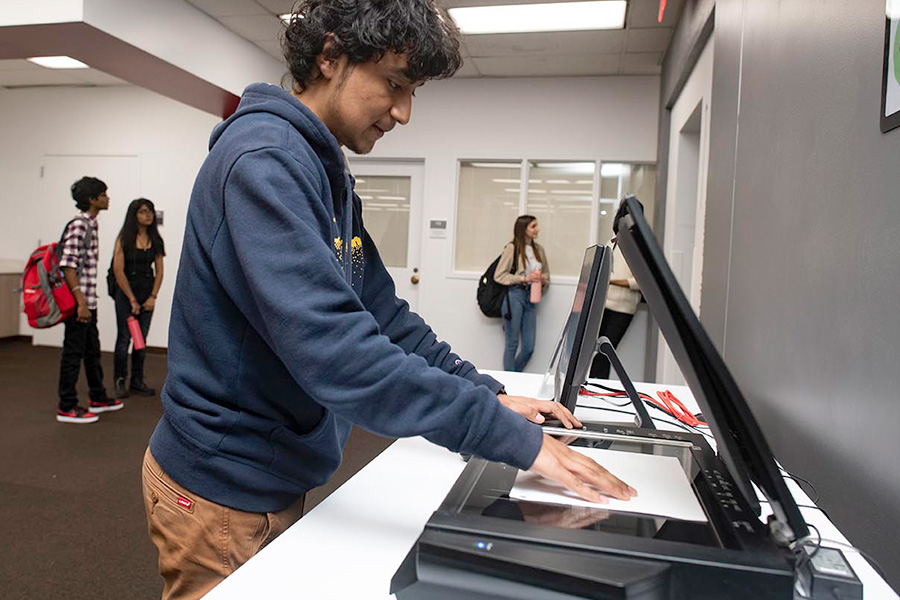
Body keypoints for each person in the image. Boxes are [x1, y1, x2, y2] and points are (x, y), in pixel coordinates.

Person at [142, 2, 635, 597]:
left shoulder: (324, 172)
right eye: (394, 85)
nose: (402, 112)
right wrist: (510, 440)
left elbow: (383, 315)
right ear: (330, 57)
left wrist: (489, 394)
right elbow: (336, 352)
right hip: (221, 484)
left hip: (272, 469)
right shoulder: (263, 163)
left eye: (412, 91)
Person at [57, 176, 124, 423]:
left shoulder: (91, 224)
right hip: (80, 304)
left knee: (92, 351)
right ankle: (67, 405)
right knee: (73, 354)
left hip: (88, 302)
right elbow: (68, 265)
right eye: (103, 194)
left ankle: (97, 397)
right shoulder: (79, 225)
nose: (108, 198)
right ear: (91, 199)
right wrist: (81, 303)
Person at [112, 198, 165, 398]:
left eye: (150, 211)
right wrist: (132, 300)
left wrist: (153, 297)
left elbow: (159, 272)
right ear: (134, 215)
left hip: (147, 295)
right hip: (126, 295)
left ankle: (136, 380)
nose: (148, 215)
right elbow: (118, 270)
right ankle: (119, 380)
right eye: (143, 211)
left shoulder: (156, 240)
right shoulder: (124, 239)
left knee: (140, 340)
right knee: (124, 339)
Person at [493, 215, 549, 372]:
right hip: (514, 296)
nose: (537, 229)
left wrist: (542, 279)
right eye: (533, 226)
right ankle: (510, 384)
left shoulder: (539, 250)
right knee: (512, 343)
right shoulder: (512, 248)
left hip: (532, 297)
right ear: (523, 229)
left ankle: (514, 377)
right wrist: (524, 278)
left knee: (529, 347)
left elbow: (547, 274)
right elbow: (499, 275)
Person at [589, 243, 642, 379]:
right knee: (597, 350)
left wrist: (612, 282)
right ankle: (594, 384)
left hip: (624, 309)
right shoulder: (611, 244)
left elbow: (640, 282)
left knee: (607, 351)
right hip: (603, 305)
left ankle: (598, 385)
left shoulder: (639, 249)